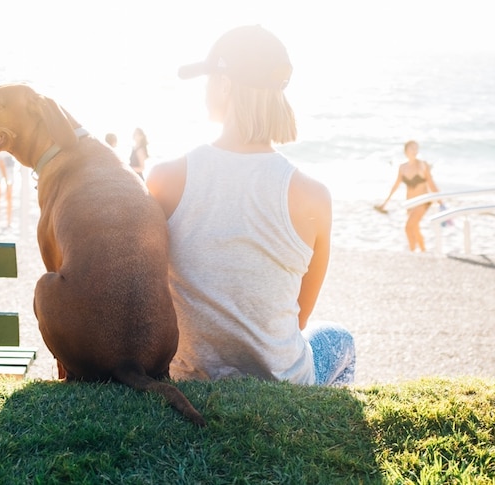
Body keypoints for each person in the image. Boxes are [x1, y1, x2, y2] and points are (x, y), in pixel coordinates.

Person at [146, 25, 355, 386]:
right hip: (283, 380)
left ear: (225, 84)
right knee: (341, 339)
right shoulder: (313, 196)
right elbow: (299, 319)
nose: (206, 88)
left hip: (189, 376)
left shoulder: (166, 178)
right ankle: (319, 428)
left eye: (209, 78)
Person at [375, 140, 440, 252]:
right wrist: (385, 203)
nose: (415, 151)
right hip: (410, 202)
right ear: (406, 151)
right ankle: (423, 251)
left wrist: (441, 201)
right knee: (414, 228)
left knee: (408, 227)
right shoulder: (402, 167)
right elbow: (395, 186)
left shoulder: (423, 165)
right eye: (412, 148)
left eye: (416, 148)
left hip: (423, 201)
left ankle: (412, 252)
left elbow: (431, 183)